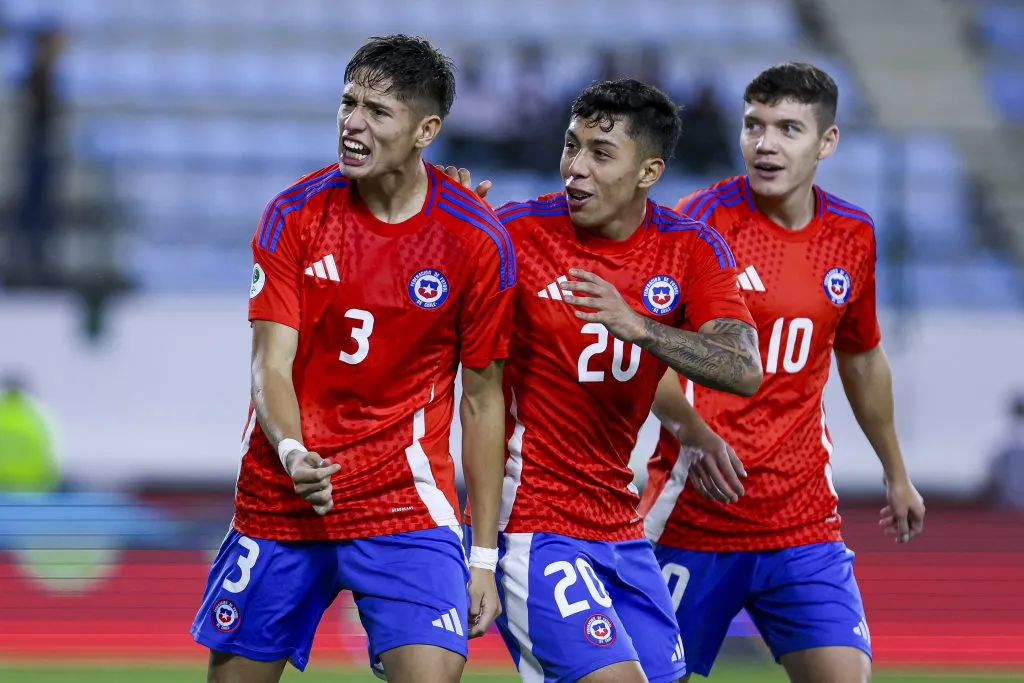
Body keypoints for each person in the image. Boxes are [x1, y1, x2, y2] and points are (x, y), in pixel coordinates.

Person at [189, 35, 513, 683]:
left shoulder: (475, 238)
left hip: (405, 505)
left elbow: (482, 401)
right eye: (347, 102)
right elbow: (268, 366)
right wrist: (292, 452)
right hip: (285, 495)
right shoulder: (295, 215)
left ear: (427, 130)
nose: (352, 123)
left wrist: (483, 555)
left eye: (376, 111)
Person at [450, 78, 762, 683]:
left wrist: (642, 329)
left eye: (600, 153)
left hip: (617, 523)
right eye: (571, 146)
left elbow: (743, 368)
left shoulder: (690, 248)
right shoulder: (515, 235)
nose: (575, 168)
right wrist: (451, 232)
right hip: (534, 520)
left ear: (649, 172)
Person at [640, 62, 926, 683]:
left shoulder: (852, 234)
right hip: (695, 513)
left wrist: (896, 473)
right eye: (754, 125)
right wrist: (691, 426)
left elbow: (861, 355)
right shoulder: (699, 224)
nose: (765, 143)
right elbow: (648, 349)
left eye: (788, 128)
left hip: (801, 520)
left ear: (827, 142)